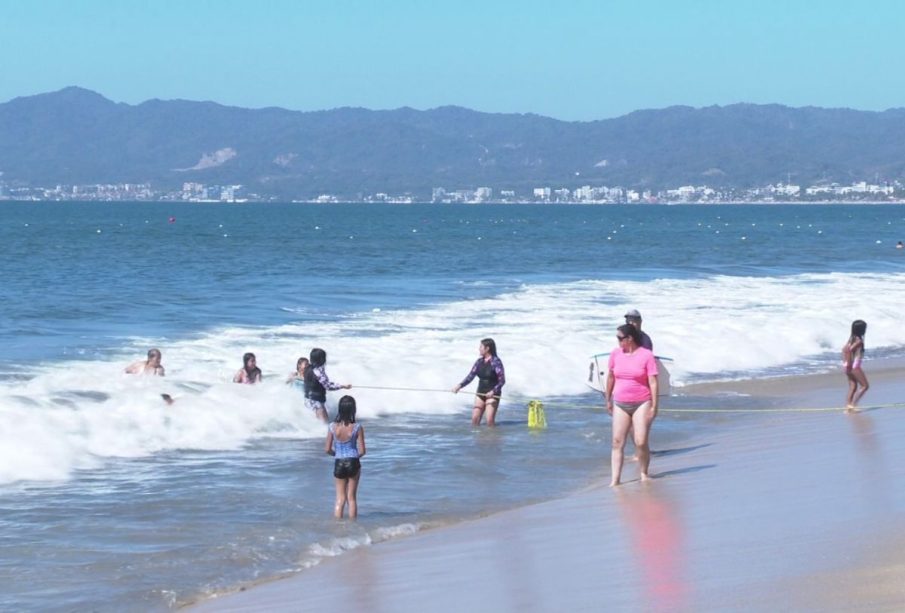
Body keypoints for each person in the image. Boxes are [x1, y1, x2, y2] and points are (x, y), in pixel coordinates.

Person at [606, 324, 659, 486]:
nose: (618, 341)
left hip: (642, 402)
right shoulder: (615, 354)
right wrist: (607, 399)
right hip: (620, 403)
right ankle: (615, 480)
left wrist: (654, 406)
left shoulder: (646, 355)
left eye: (620, 338)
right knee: (617, 441)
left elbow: (653, 382)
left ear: (630, 339)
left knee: (640, 441)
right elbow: (610, 377)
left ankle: (644, 473)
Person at [325, 395, 366, 519]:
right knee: (351, 498)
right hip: (353, 461)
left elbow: (327, 449)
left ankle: (338, 526)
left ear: (340, 409)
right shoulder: (357, 427)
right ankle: (353, 526)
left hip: (339, 461)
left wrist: (336, 455)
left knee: (340, 498)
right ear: (353, 409)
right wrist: (354, 457)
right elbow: (363, 451)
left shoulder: (332, 427)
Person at [453, 338, 506, 426]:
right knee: (475, 420)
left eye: (481, 347)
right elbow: (470, 376)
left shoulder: (496, 362)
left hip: (493, 394)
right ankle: (477, 438)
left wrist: (493, 391)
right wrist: (459, 386)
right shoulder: (479, 362)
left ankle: (493, 437)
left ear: (487, 348)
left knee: (489, 421)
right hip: (480, 393)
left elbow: (502, 380)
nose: (479, 349)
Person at [305, 348, 351, 422]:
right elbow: (328, 386)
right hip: (316, 401)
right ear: (321, 359)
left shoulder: (308, 368)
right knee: (324, 424)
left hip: (308, 399)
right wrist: (343, 386)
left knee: (318, 423)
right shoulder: (318, 372)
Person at [842, 320, 869, 411]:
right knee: (865, 386)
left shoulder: (851, 338)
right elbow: (849, 350)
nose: (865, 329)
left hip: (846, 365)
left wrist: (846, 363)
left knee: (853, 386)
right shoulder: (859, 341)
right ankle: (853, 405)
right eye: (865, 328)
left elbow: (844, 349)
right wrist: (850, 364)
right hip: (854, 366)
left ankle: (848, 406)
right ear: (861, 329)